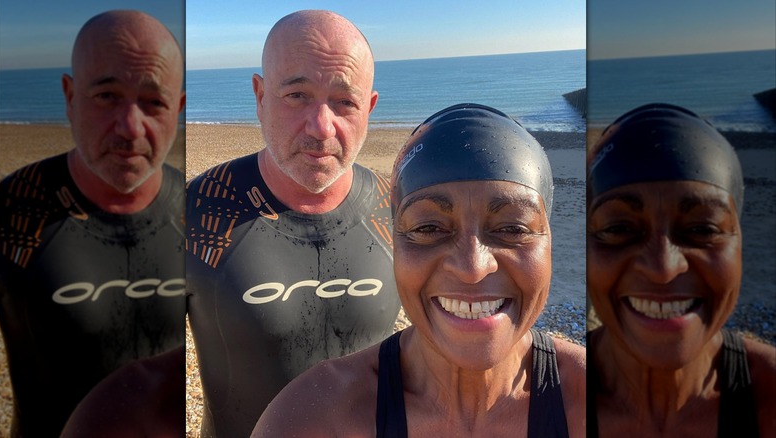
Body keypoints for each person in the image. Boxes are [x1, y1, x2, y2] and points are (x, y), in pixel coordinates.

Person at [252, 103, 587, 437]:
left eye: (512, 229)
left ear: (549, 242)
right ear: (395, 244)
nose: (472, 268)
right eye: (429, 228)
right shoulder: (315, 421)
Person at [185, 10, 401, 436]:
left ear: (370, 108)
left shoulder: (394, 208)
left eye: (344, 102)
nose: (322, 127)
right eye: (298, 95)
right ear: (260, 95)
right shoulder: (198, 212)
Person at [0, 10, 186, 437]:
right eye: (107, 96)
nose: (130, 127)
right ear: (69, 95)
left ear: (179, 108)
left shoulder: (197, 214)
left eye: (154, 102)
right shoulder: (11, 214)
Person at [586, 103, 776, 437]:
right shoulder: (554, 395)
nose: (663, 268)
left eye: (702, 230)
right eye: (618, 229)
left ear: (740, 244)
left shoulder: (768, 398)